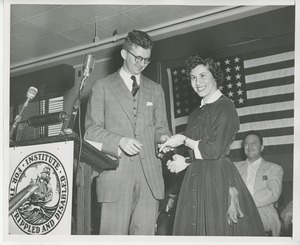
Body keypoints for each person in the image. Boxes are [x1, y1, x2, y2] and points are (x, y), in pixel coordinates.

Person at [159, 55, 265, 236]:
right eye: (193, 77)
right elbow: (196, 143)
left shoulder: (226, 106)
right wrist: (177, 149)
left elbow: (214, 149)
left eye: (202, 76)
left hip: (217, 179)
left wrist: (184, 141)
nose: (197, 82)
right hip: (195, 177)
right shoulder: (195, 113)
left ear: (215, 77)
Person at [84, 29, 171, 235]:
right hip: (115, 176)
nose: (142, 64)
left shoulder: (156, 89)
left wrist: (164, 139)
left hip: (150, 179)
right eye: (138, 58)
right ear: (124, 54)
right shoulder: (102, 87)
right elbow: (91, 133)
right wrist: (119, 141)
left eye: (146, 60)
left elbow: (161, 127)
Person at [234, 131, 283, 236]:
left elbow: (273, 192)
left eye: (254, 143)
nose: (250, 146)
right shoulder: (234, 167)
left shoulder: (274, 168)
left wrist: (245, 203)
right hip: (236, 214)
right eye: (247, 143)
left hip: (263, 214)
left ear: (261, 148)